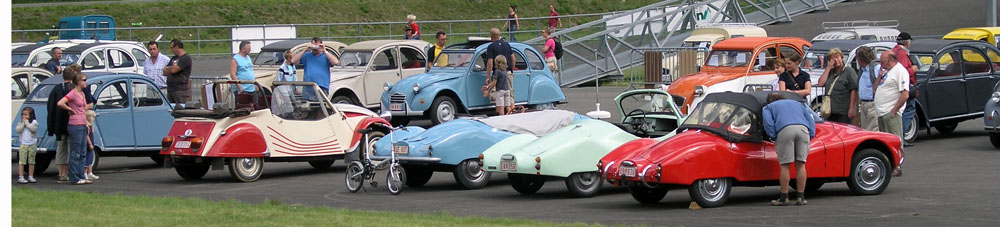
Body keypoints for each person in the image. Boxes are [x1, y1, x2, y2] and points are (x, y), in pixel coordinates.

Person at [763, 92, 816, 206]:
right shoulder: (798, 104)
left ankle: (784, 197)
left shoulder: (768, 107)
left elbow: (768, 123)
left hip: (785, 130)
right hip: (803, 130)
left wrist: (774, 136)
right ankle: (800, 197)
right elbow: (810, 119)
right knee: (801, 164)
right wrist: (811, 134)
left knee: (785, 165)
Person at [46, 64, 94, 183]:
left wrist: (86, 122)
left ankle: (81, 176)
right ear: (77, 81)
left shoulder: (82, 93)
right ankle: (74, 177)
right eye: (84, 80)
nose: (86, 82)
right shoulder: (72, 93)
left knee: (83, 151)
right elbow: (60, 103)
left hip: (82, 123)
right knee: (75, 152)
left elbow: (90, 104)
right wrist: (69, 109)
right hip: (74, 124)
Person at [815, 48, 859, 124]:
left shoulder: (848, 71)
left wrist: (852, 108)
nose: (836, 60)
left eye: (837, 57)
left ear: (841, 58)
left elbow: (854, 89)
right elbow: (821, 83)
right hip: (830, 110)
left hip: (843, 110)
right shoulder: (831, 72)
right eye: (833, 58)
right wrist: (828, 67)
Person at [874, 51, 909, 141]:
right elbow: (874, 89)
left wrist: (894, 111)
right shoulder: (887, 72)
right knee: (885, 143)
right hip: (881, 113)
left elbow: (905, 95)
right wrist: (879, 77)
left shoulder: (900, 71)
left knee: (894, 141)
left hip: (890, 114)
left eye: (883, 62)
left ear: (891, 60)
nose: (881, 65)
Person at [893, 32, 918, 145]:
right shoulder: (902, 53)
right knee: (909, 110)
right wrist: (913, 69)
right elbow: (903, 71)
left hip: (896, 86)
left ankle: (898, 136)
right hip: (905, 86)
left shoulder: (894, 50)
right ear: (906, 42)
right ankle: (901, 136)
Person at [855, 46, 880, 131]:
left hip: (872, 104)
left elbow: (880, 83)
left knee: (873, 128)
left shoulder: (875, 68)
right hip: (863, 103)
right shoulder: (862, 70)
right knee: (865, 129)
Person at [163, 39, 194, 106]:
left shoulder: (186, 58)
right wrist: (171, 68)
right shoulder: (173, 58)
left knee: (180, 110)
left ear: (177, 47)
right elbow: (164, 72)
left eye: (172, 47)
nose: (171, 50)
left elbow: (175, 70)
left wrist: (170, 68)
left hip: (180, 91)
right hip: (171, 90)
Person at [16, 107, 39, 184]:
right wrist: (22, 124)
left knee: (32, 161)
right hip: (23, 144)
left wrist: (27, 123)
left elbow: (33, 129)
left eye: (26, 114)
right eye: (22, 114)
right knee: (22, 161)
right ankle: (21, 177)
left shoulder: (34, 122)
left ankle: (31, 176)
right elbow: (18, 130)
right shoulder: (20, 122)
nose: (24, 116)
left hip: (32, 144)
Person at [83, 110, 99, 181]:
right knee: (87, 158)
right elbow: (87, 136)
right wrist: (90, 144)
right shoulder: (87, 126)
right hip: (89, 144)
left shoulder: (90, 125)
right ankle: (85, 173)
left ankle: (90, 172)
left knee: (90, 157)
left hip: (91, 143)